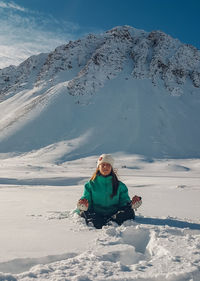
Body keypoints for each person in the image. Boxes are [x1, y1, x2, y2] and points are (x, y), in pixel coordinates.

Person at [76, 154, 142, 229]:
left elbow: (124, 203)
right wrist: (82, 204)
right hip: (96, 215)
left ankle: (108, 222)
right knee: (83, 213)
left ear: (111, 168)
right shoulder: (90, 185)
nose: (105, 167)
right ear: (98, 167)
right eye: (103, 164)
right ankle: (107, 222)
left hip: (115, 216)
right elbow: (86, 200)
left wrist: (132, 204)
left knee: (129, 212)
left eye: (108, 165)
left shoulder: (120, 186)